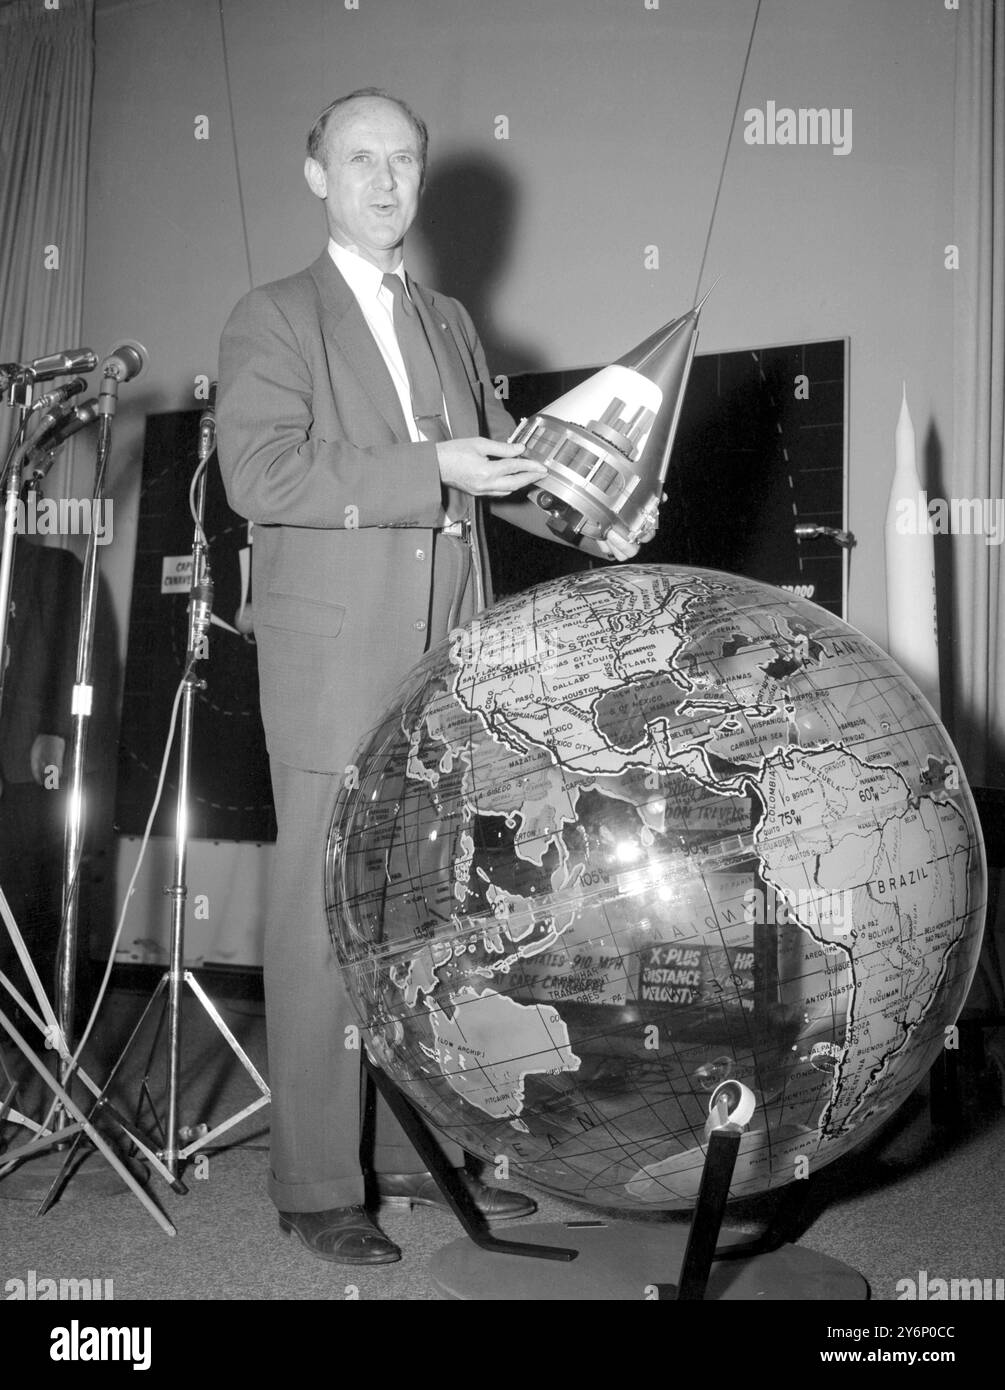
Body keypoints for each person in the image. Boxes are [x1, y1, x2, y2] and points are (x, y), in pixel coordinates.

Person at [217, 88, 640, 1266]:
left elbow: (497, 468)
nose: (388, 180)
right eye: (362, 159)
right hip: (330, 659)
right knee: (320, 923)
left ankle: (409, 1153)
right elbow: (263, 472)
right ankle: (312, 1181)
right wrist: (429, 465)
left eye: (404, 160)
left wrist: (588, 515)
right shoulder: (273, 315)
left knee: (423, 923)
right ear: (318, 176)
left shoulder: (448, 319)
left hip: (445, 661)